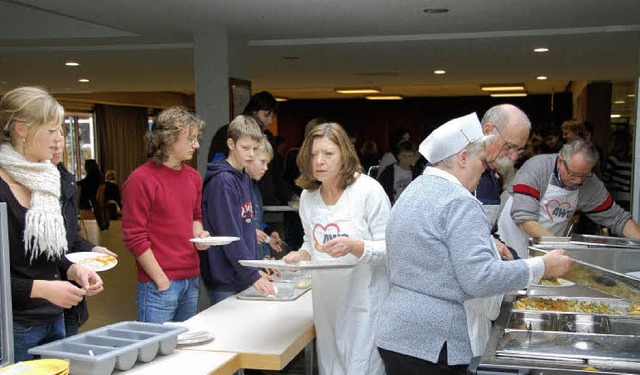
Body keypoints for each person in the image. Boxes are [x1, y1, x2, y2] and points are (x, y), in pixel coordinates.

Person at [375, 113, 573, 375]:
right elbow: (479, 279)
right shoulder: (460, 201)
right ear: (462, 157)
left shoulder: (415, 189)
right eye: (481, 160)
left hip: (396, 333)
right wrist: (541, 266)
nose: (484, 168)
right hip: (435, 343)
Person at [0, 86, 104, 361]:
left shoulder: (48, 178)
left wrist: (73, 271)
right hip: (12, 325)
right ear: (22, 130)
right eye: (51, 130)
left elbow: (51, 253)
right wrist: (42, 289)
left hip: (54, 317)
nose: (59, 139)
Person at [283, 122, 391, 375]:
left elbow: (391, 248)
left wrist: (355, 246)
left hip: (364, 301)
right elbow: (311, 243)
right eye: (313, 154)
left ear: (345, 155)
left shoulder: (368, 191)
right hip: (327, 301)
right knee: (331, 367)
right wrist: (300, 255)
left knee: (361, 368)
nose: (319, 161)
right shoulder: (309, 198)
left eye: (328, 154)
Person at [122, 106, 210, 323]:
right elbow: (134, 237)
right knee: (154, 353)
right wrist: (161, 279)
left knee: (183, 349)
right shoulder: (140, 180)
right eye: (190, 139)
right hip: (158, 282)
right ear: (169, 139)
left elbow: (195, 216)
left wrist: (199, 235)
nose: (196, 145)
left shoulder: (193, 177)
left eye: (196, 138)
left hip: (190, 277)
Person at [497, 138, 640, 259]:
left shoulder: (590, 184)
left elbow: (618, 218)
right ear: (560, 161)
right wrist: (559, 247)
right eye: (573, 174)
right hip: (509, 237)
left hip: (547, 245)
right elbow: (524, 219)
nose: (578, 181)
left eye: (584, 175)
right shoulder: (537, 168)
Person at [200, 115, 276, 305]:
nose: (251, 154)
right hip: (225, 278)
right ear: (231, 144)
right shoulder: (223, 181)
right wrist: (252, 273)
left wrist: (258, 265)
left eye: (255, 149)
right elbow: (230, 233)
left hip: (242, 273)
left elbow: (247, 228)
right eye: (245, 148)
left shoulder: (243, 176)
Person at [52, 138, 116, 336]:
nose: (58, 141)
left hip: (68, 303)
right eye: (50, 130)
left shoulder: (65, 179)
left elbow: (69, 238)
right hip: (33, 312)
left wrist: (92, 249)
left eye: (59, 132)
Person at [207, 91, 278, 163]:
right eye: (266, 115)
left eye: (272, 117)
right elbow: (216, 164)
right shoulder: (226, 133)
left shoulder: (268, 137)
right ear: (254, 111)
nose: (270, 121)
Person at [246, 135, 284, 258]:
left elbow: (256, 225)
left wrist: (267, 239)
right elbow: (233, 229)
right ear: (248, 157)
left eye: (268, 163)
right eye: (262, 162)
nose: (266, 168)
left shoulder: (255, 188)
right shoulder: (233, 186)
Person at [377, 140, 420, 205]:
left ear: (414, 157)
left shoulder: (417, 173)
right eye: (404, 156)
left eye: (410, 156)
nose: (407, 159)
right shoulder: (389, 172)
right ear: (398, 156)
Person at [602, 130, 633, 211]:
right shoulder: (632, 163)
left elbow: (605, 181)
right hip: (630, 199)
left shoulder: (613, 160)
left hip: (616, 198)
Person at [78, 159, 109, 230]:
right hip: (97, 202)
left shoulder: (90, 179)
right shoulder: (99, 178)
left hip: (90, 203)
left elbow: (84, 184)